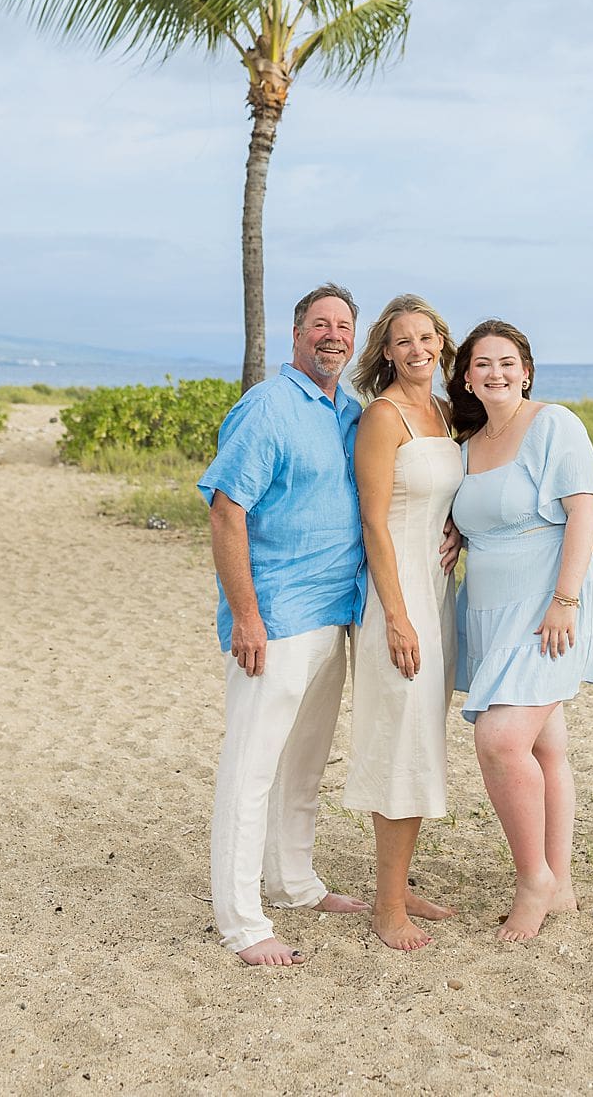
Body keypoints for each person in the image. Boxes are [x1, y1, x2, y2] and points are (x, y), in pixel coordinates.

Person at [199, 284, 369, 966]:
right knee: (252, 769)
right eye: (320, 323)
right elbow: (225, 510)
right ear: (296, 335)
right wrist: (246, 615)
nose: (333, 334)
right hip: (275, 617)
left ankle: (294, 881)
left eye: (344, 325)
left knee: (303, 764)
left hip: (335, 614)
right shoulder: (267, 406)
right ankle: (242, 920)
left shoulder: (347, 411)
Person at [450, 319, 593, 943]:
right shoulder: (467, 445)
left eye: (507, 361)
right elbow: (474, 514)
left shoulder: (554, 424)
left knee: (500, 739)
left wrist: (565, 600)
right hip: (490, 607)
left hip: (550, 602)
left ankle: (533, 879)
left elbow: (583, 511)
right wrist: (453, 534)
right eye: (483, 363)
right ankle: (562, 883)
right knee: (545, 747)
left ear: (527, 370)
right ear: (467, 376)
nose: (496, 372)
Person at [344, 295, 463, 951]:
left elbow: (449, 498)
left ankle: (400, 882)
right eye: (403, 340)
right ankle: (388, 907)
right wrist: (396, 616)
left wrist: (460, 535)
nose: (417, 348)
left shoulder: (443, 413)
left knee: (418, 738)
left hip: (438, 593)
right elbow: (374, 523)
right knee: (399, 743)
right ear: (385, 352)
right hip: (400, 598)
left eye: (426, 336)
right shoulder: (382, 417)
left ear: (441, 342)